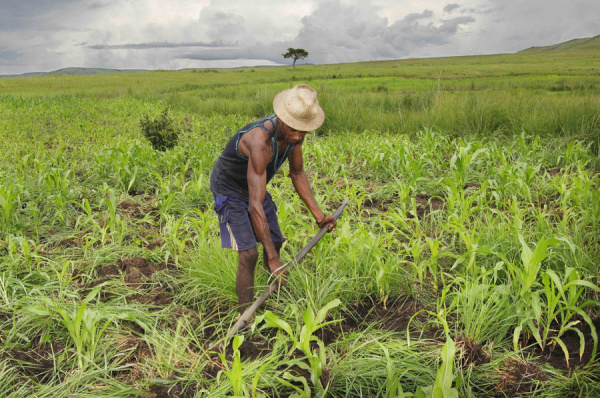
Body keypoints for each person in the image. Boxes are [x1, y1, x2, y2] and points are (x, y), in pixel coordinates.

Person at [210, 84, 336, 312]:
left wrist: (319, 215)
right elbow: (254, 204)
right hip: (229, 187)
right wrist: (272, 259)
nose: (298, 136)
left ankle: (272, 290)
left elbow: (297, 173)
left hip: (254, 186)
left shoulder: (295, 135)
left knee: (276, 241)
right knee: (249, 254)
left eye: (303, 130)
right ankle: (245, 316)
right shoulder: (260, 142)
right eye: (293, 129)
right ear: (281, 118)